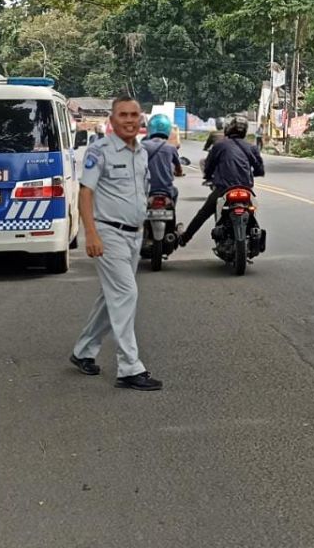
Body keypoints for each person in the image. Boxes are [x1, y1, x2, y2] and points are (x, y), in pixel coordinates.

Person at [70, 96, 163, 391]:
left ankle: (83, 351)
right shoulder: (100, 151)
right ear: (112, 120)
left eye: (134, 115)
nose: (129, 120)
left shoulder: (142, 152)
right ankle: (129, 368)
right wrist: (91, 234)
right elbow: (85, 193)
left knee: (111, 297)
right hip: (109, 234)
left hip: (134, 234)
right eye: (123, 114)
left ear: (141, 120)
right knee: (125, 293)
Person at [178, 115, 264, 247]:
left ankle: (185, 238)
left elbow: (209, 165)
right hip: (246, 189)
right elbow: (260, 170)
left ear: (229, 129)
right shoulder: (251, 147)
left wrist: (208, 177)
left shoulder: (219, 145)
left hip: (224, 188)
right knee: (252, 211)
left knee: (204, 213)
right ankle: (255, 238)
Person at [143, 113, 184, 202]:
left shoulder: (142, 146)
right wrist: (179, 173)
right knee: (175, 192)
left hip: (146, 188)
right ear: (168, 129)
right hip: (166, 189)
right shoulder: (171, 148)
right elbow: (178, 168)